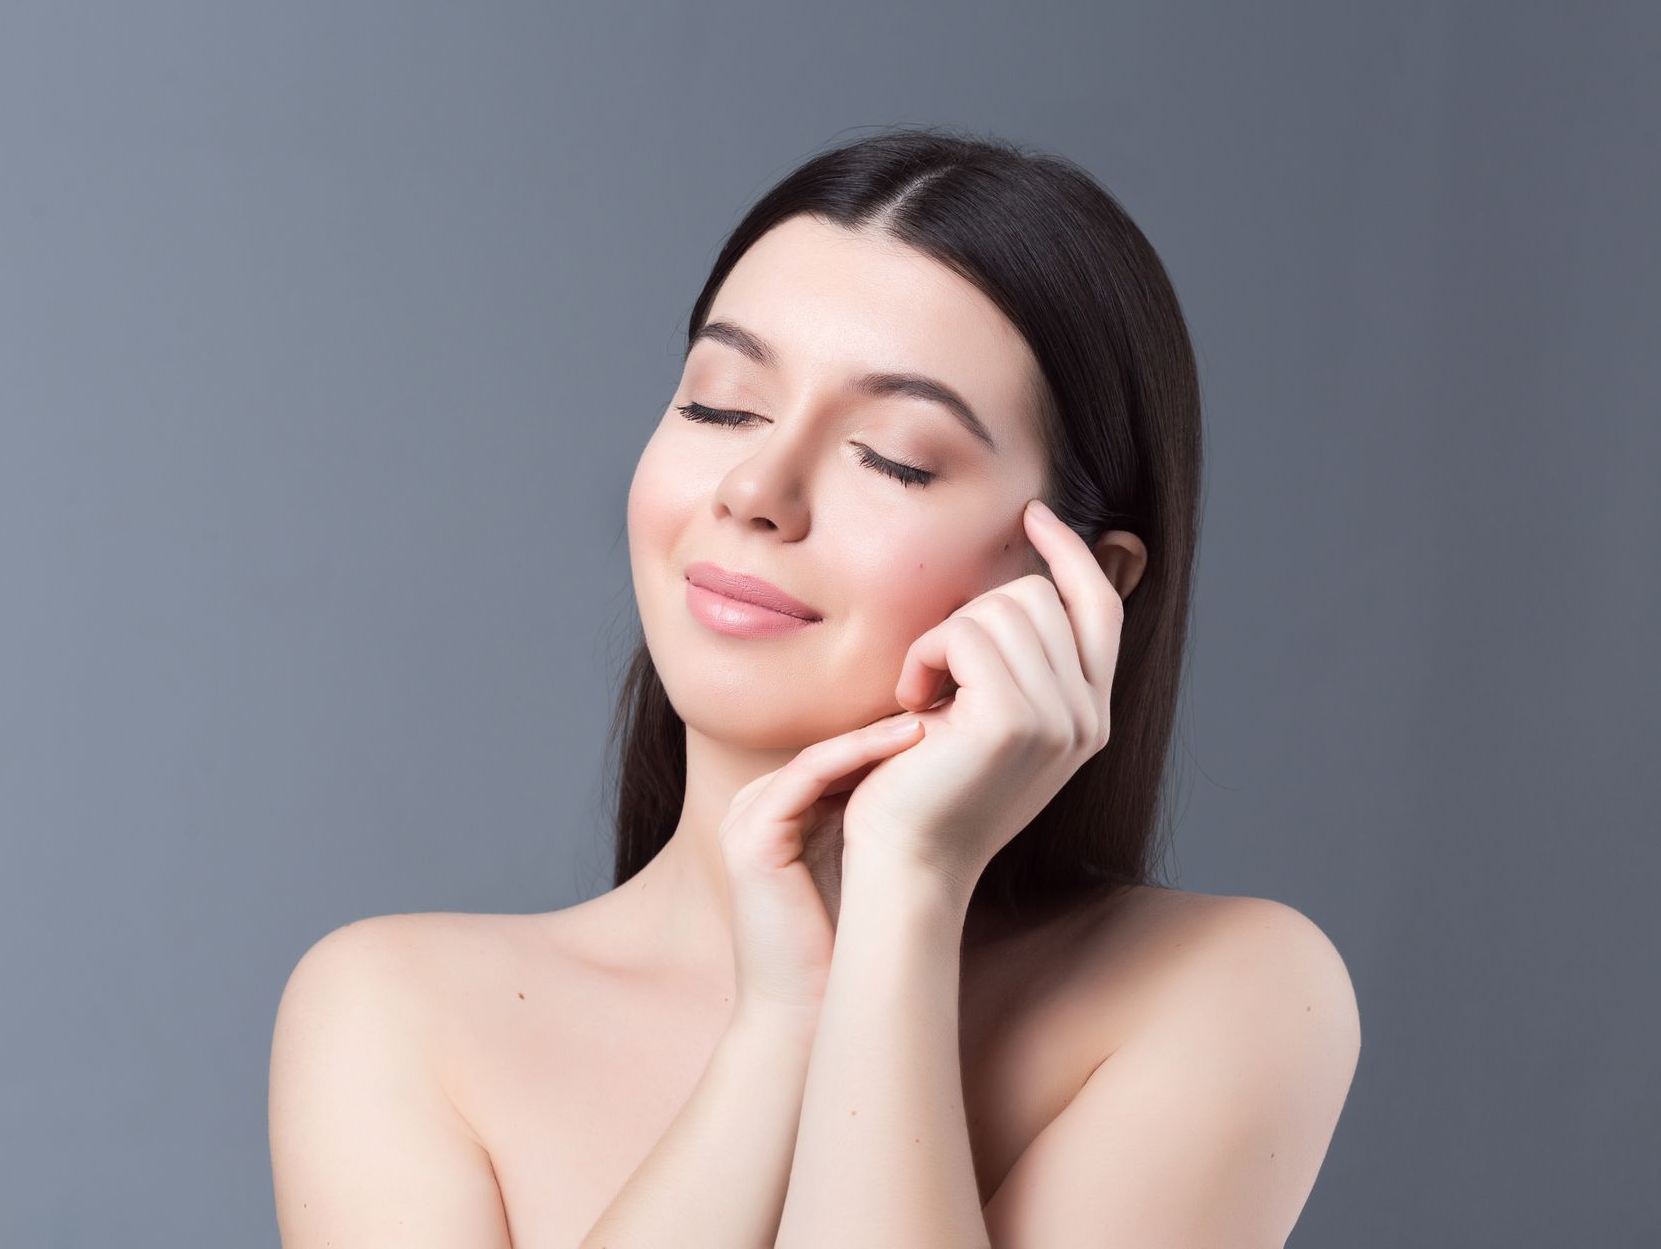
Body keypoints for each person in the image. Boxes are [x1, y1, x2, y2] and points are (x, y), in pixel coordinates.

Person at [268, 127, 1361, 1247]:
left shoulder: (1228, 991)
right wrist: (780, 1025)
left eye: (893, 455)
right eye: (721, 404)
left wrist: (907, 894)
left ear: (1079, 581)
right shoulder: (395, 1013)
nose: (756, 488)